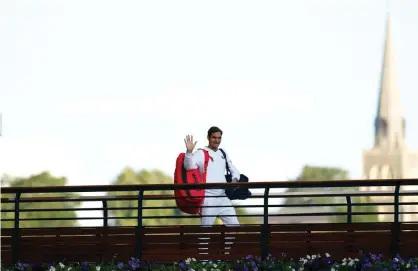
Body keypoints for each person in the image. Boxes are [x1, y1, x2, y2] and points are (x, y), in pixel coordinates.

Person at [183, 126, 241, 226]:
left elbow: (234, 170)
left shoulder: (223, 152)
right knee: (205, 230)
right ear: (208, 138)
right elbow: (188, 166)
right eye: (214, 137)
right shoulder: (201, 153)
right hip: (208, 198)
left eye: (219, 138)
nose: (217, 140)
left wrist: (234, 180)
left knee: (234, 226)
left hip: (223, 197)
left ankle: (227, 243)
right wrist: (189, 152)